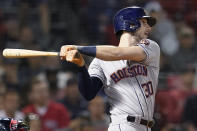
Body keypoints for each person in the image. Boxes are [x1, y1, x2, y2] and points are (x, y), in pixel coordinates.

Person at [60, 6, 160, 131]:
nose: (149, 28)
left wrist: (78, 48)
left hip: (146, 127)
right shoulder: (100, 61)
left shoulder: (151, 47)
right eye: (144, 22)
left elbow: (117, 53)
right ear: (131, 24)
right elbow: (88, 93)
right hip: (122, 125)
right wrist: (81, 66)